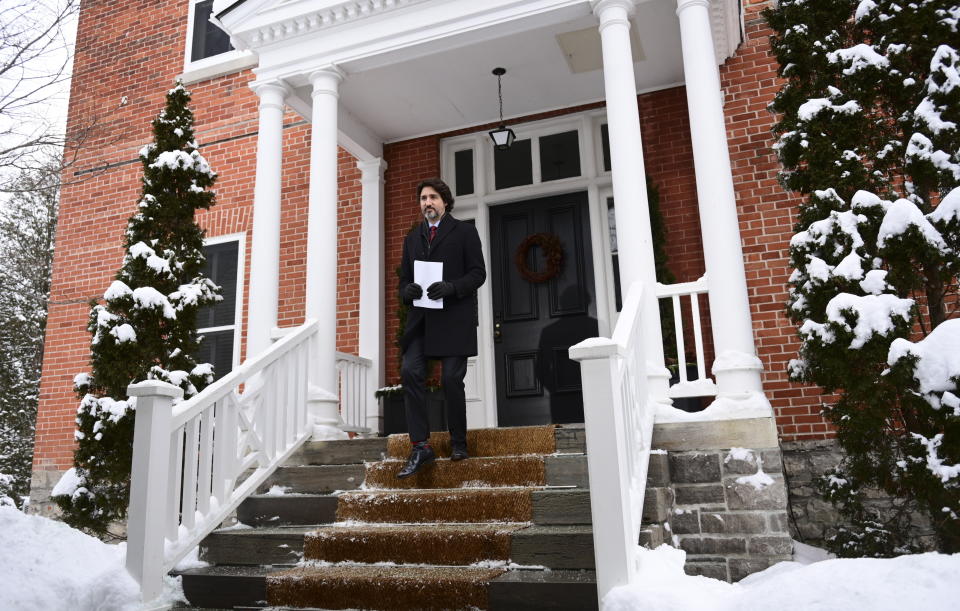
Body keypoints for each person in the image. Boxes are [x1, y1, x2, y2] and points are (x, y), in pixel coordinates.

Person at [396, 178, 486, 478]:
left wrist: (451, 287)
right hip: (422, 320)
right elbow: (404, 280)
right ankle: (421, 446)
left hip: (454, 319)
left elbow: (478, 274)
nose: (427, 203)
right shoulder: (413, 239)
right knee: (410, 370)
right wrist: (406, 291)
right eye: (423, 198)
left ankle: (458, 442)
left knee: (450, 380)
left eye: (433, 197)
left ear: (445, 202)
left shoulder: (464, 232)